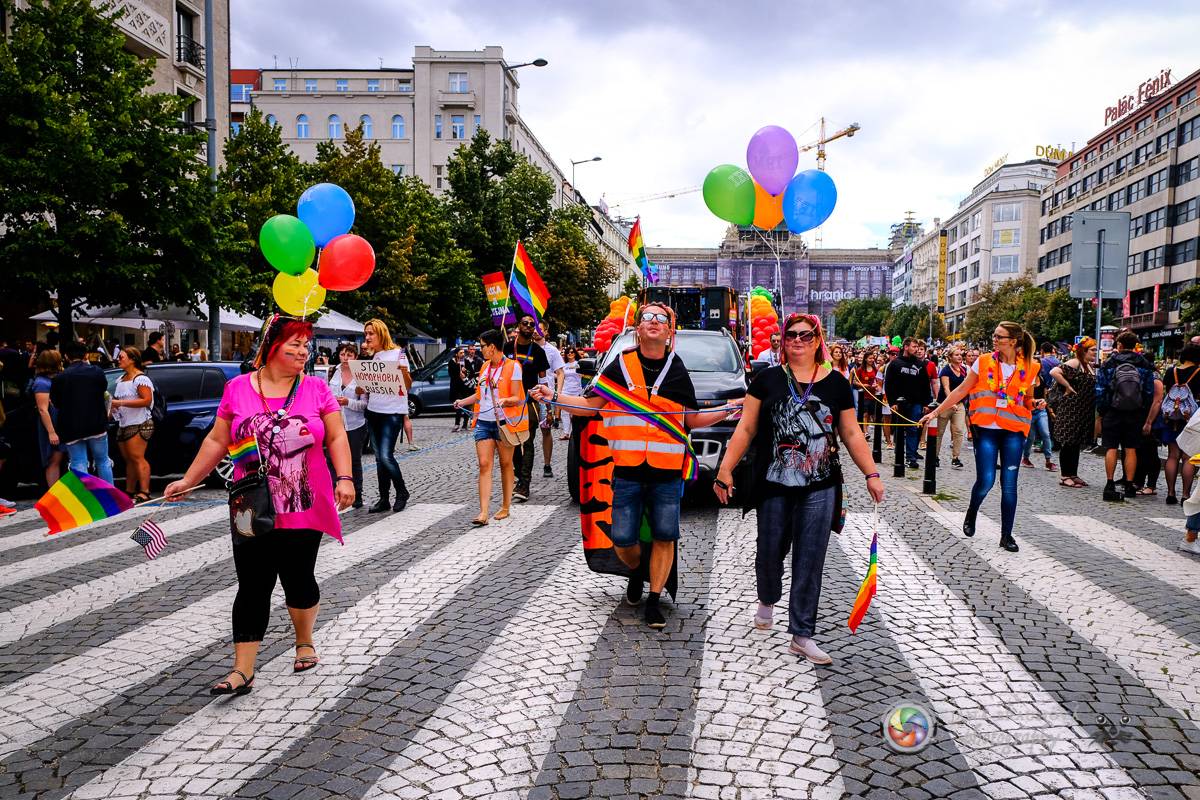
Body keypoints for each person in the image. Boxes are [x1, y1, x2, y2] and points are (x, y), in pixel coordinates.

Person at [164, 315, 354, 696]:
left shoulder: (316, 388)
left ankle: (304, 640)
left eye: (306, 345)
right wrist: (189, 479)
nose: (303, 352)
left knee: (298, 578)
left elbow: (335, 435)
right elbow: (217, 441)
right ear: (270, 348)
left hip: (303, 501)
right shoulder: (237, 388)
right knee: (252, 583)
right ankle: (243, 670)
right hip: (250, 502)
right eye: (294, 345)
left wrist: (345, 477)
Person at [532, 303, 741, 630]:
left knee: (665, 535)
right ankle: (637, 570)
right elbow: (589, 407)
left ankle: (654, 600)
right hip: (628, 469)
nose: (655, 322)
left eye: (661, 319)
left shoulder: (677, 370)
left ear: (670, 331)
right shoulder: (620, 366)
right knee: (623, 539)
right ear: (638, 328)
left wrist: (728, 409)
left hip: (667, 471)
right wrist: (552, 397)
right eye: (648, 318)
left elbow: (691, 420)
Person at [712, 313, 883, 664]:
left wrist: (871, 474)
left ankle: (802, 634)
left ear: (818, 340)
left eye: (806, 336)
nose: (798, 341)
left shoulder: (836, 383)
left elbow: (850, 433)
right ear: (783, 340)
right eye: (791, 335)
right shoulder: (766, 380)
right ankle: (767, 596)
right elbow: (745, 429)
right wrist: (724, 470)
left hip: (820, 484)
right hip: (774, 481)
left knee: (810, 558)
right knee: (770, 550)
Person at [920, 321, 1038, 553]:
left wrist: (1036, 403)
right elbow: (961, 390)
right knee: (986, 480)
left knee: (1010, 484)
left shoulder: (1030, 366)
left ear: (1013, 341)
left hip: (1014, 429)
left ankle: (1006, 536)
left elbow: (1027, 399)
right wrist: (935, 411)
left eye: (999, 337)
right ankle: (972, 512)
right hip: (986, 428)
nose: (994, 339)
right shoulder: (984, 362)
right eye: (994, 335)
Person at [452, 329, 526, 525]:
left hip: (504, 423)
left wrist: (504, 400)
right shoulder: (484, 366)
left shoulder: (513, 366)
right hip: (484, 422)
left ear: (492, 347)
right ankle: (483, 512)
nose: (480, 349)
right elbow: (479, 395)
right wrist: (461, 401)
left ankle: (505, 506)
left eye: (482, 346)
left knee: (505, 464)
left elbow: (519, 398)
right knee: (484, 464)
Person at [1094, 330, 1160, 502]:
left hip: (1113, 411)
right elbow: (1148, 392)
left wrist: (1102, 411)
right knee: (1131, 449)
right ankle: (1130, 484)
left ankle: (1109, 483)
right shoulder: (1144, 364)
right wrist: (1143, 411)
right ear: (1135, 346)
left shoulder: (1109, 363)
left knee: (1111, 448)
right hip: (1135, 412)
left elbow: (1100, 390)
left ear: (1119, 345)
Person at [362, 319, 413, 513]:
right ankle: (384, 498)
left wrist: (404, 373)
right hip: (374, 410)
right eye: (366, 333)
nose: (367, 337)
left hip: (392, 412)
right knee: (378, 458)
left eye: (371, 333)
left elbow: (407, 385)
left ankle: (402, 491)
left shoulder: (397, 354)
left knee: (385, 455)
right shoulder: (375, 357)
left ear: (381, 333)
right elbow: (370, 387)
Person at [50, 341, 114, 486]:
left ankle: (84, 500)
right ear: (86, 355)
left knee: (78, 463)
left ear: (66, 356)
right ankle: (110, 498)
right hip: (96, 423)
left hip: (71, 426)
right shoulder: (97, 372)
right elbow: (103, 391)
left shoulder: (60, 378)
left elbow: (55, 403)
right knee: (103, 460)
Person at [504, 315, 550, 502]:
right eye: (525, 323)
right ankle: (519, 476)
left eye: (532, 325)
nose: (529, 326)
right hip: (509, 403)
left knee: (527, 442)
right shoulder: (507, 348)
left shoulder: (538, 351)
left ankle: (524, 484)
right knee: (511, 442)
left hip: (529, 403)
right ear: (518, 326)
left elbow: (544, 379)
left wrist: (548, 408)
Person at [1048, 338, 1098, 489]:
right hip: (1071, 410)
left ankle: (1073, 473)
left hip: (1083, 411)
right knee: (1068, 443)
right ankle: (1065, 476)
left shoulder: (1088, 366)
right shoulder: (1075, 362)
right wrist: (1068, 386)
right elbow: (1054, 372)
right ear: (1083, 351)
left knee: (1075, 444)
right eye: (1093, 350)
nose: (1095, 353)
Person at [110, 347, 155, 503]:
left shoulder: (140, 379)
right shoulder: (121, 379)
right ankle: (129, 491)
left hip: (139, 422)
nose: (118, 359)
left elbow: (146, 400)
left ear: (132, 359)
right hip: (124, 423)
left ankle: (144, 491)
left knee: (137, 458)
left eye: (121, 357)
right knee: (129, 459)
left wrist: (119, 402)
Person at [1159, 343, 1200, 505]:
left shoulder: (1171, 372)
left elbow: (1166, 391)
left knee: (1172, 455)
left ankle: (1170, 493)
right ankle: (1185, 494)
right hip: (1193, 418)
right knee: (1188, 457)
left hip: (1172, 417)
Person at [328, 343, 368, 508]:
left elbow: (365, 404)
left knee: (354, 460)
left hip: (355, 424)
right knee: (331, 459)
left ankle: (357, 494)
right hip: (335, 422)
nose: (345, 358)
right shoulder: (332, 372)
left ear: (355, 357)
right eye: (343, 354)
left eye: (349, 355)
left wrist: (348, 402)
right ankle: (331, 492)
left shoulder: (361, 375)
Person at [884, 337, 933, 469]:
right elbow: (888, 384)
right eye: (913, 347)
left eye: (917, 347)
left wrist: (926, 403)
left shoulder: (920, 365)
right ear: (906, 347)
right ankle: (899, 451)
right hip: (900, 403)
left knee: (913, 428)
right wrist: (892, 402)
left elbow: (925, 385)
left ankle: (910, 456)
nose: (916, 349)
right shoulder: (895, 364)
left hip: (916, 402)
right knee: (899, 428)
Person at [533, 327, 565, 478]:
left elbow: (560, 372)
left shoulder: (552, 350)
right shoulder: (526, 348)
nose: (535, 331)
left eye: (539, 329)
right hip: (529, 395)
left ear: (546, 332)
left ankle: (547, 464)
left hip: (546, 395)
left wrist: (557, 394)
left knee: (546, 430)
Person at [32, 349, 65, 488]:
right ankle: (55, 496)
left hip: (60, 422)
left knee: (59, 460)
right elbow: (43, 409)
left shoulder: (56, 378)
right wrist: (51, 432)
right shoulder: (41, 383)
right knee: (54, 460)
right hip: (52, 425)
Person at [1021, 353, 1057, 472]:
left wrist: (1048, 407)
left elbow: (1046, 394)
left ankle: (1048, 460)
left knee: (1046, 434)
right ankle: (1025, 458)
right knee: (1030, 438)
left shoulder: (1041, 378)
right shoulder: (1024, 379)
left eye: (1037, 363)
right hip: (1029, 411)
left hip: (1041, 410)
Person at [937, 346, 969, 469]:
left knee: (959, 431)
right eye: (956, 355)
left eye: (960, 354)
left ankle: (955, 457)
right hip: (945, 404)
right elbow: (946, 388)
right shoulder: (945, 370)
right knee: (940, 431)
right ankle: (935, 456)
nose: (959, 357)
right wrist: (951, 402)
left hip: (959, 405)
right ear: (950, 357)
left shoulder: (963, 370)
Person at [558, 346, 584, 441]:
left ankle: (574, 432)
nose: (570, 354)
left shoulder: (579, 364)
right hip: (566, 390)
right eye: (568, 352)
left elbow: (582, 375)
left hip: (576, 390)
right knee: (565, 412)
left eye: (572, 352)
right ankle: (566, 433)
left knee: (575, 412)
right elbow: (560, 376)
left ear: (575, 353)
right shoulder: (563, 365)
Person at [853, 350, 881, 434]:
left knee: (871, 415)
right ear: (865, 359)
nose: (872, 360)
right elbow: (855, 381)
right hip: (863, 395)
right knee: (865, 414)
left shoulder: (875, 369)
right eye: (870, 358)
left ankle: (867, 429)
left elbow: (878, 380)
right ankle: (865, 432)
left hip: (873, 395)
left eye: (873, 358)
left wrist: (877, 385)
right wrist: (863, 385)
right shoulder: (860, 370)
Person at [449, 348, 473, 433]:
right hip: (456, 387)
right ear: (456, 354)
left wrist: (466, 371)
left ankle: (465, 424)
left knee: (466, 405)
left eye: (463, 352)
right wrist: (458, 367)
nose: (463, 354)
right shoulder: (452, 362)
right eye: (461, 352)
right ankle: (457, 424)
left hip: (465, 387)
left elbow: (471, 373)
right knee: (459, 405)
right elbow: (451, 374)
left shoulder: (466, 362)